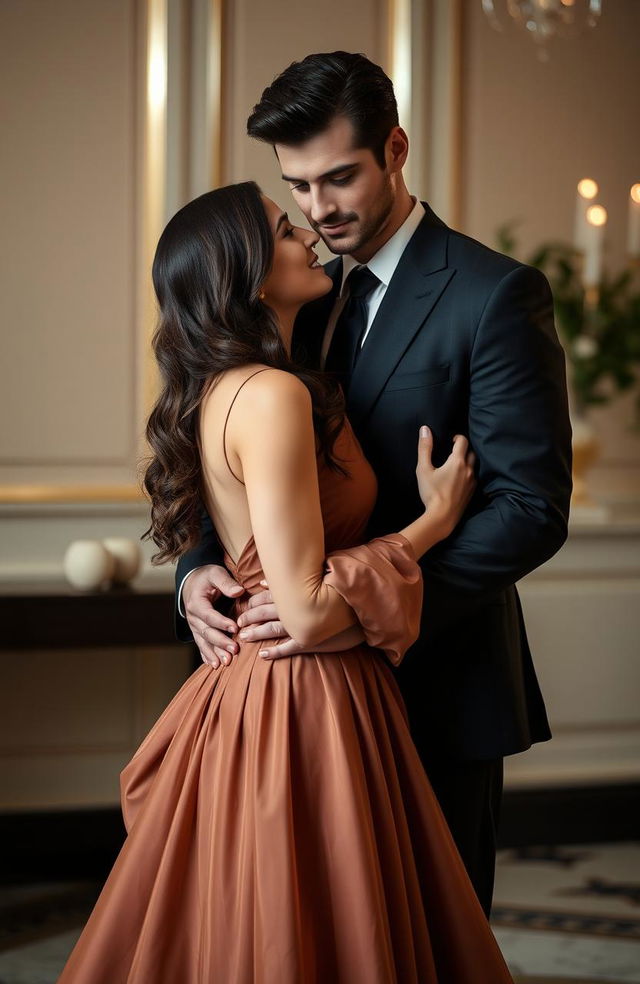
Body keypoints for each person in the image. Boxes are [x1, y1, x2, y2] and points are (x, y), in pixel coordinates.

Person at [58, 182, 514, 983]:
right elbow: (302, 611)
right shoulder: (269, 395)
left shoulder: (239, 386)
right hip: (305, 694)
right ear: (248, 274)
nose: (306, 227)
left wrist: (206, 573)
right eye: (281, 225)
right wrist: (432, 523)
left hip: (272, 689)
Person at [176, 51, 573, 917]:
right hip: (295, 700)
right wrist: (200, 569)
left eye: (339, 179)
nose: (319, 213)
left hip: (441, 685)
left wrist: (354, 604)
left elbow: (530, 509)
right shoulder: (299, 293)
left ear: (395, 149)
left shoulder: (495, 295)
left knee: (431, 945)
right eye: (298, 187)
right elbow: (245, 459)